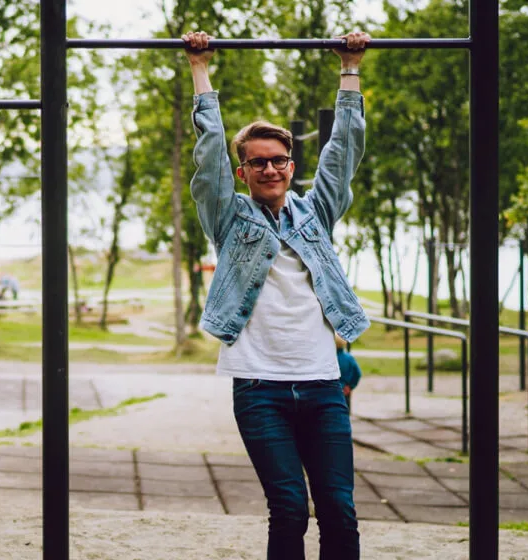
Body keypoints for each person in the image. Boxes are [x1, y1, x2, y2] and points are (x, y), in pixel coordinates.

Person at [182, 30, 371, 559]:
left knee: (339, 507)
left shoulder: (317, 212)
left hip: (322, 386)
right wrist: (201, 70)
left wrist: (350, 67)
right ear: (243, 172)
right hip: (260, 388)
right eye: (258, 162)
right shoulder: (228, 216)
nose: (269, 168)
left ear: (291, 167)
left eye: (279, 160)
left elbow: (344, 153)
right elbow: (209, 158)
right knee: (289, 506)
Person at [336, 335, 363, 409]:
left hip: (331, 391)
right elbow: (358, 373)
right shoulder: (349, 358)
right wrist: (350, 386)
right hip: (345, 390)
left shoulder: (329, 358)